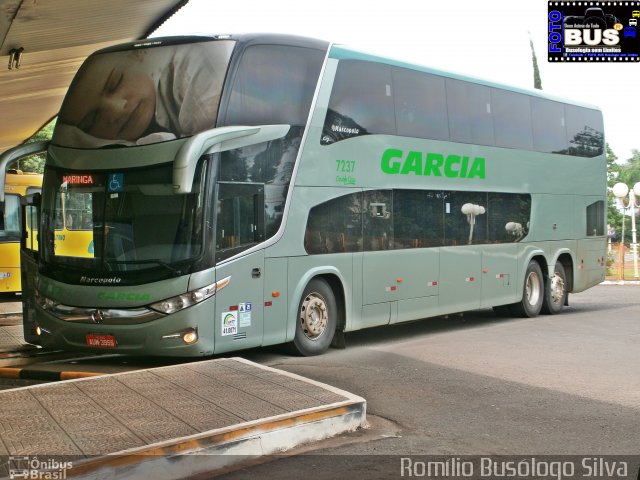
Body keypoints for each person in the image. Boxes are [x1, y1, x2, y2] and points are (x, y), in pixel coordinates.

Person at [56, 41, 235, 147]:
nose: (117, 109)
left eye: (115, 82)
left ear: (139, 56)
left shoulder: (196, 67)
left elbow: (219, 158)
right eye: (93, 119)